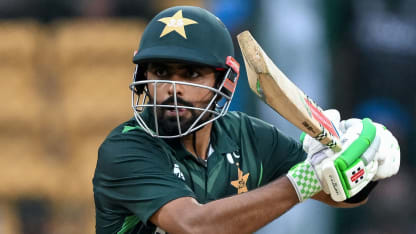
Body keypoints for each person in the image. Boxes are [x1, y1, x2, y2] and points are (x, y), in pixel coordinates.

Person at [93, 6, 400, 234]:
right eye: (160, 72)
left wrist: (363, 165)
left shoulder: (246, 135)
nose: (174, 89)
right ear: (143, 78)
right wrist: (304, 181)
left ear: (224, 81)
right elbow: (192, 225)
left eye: (191, 74)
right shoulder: (125, 148)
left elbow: (334, 191)